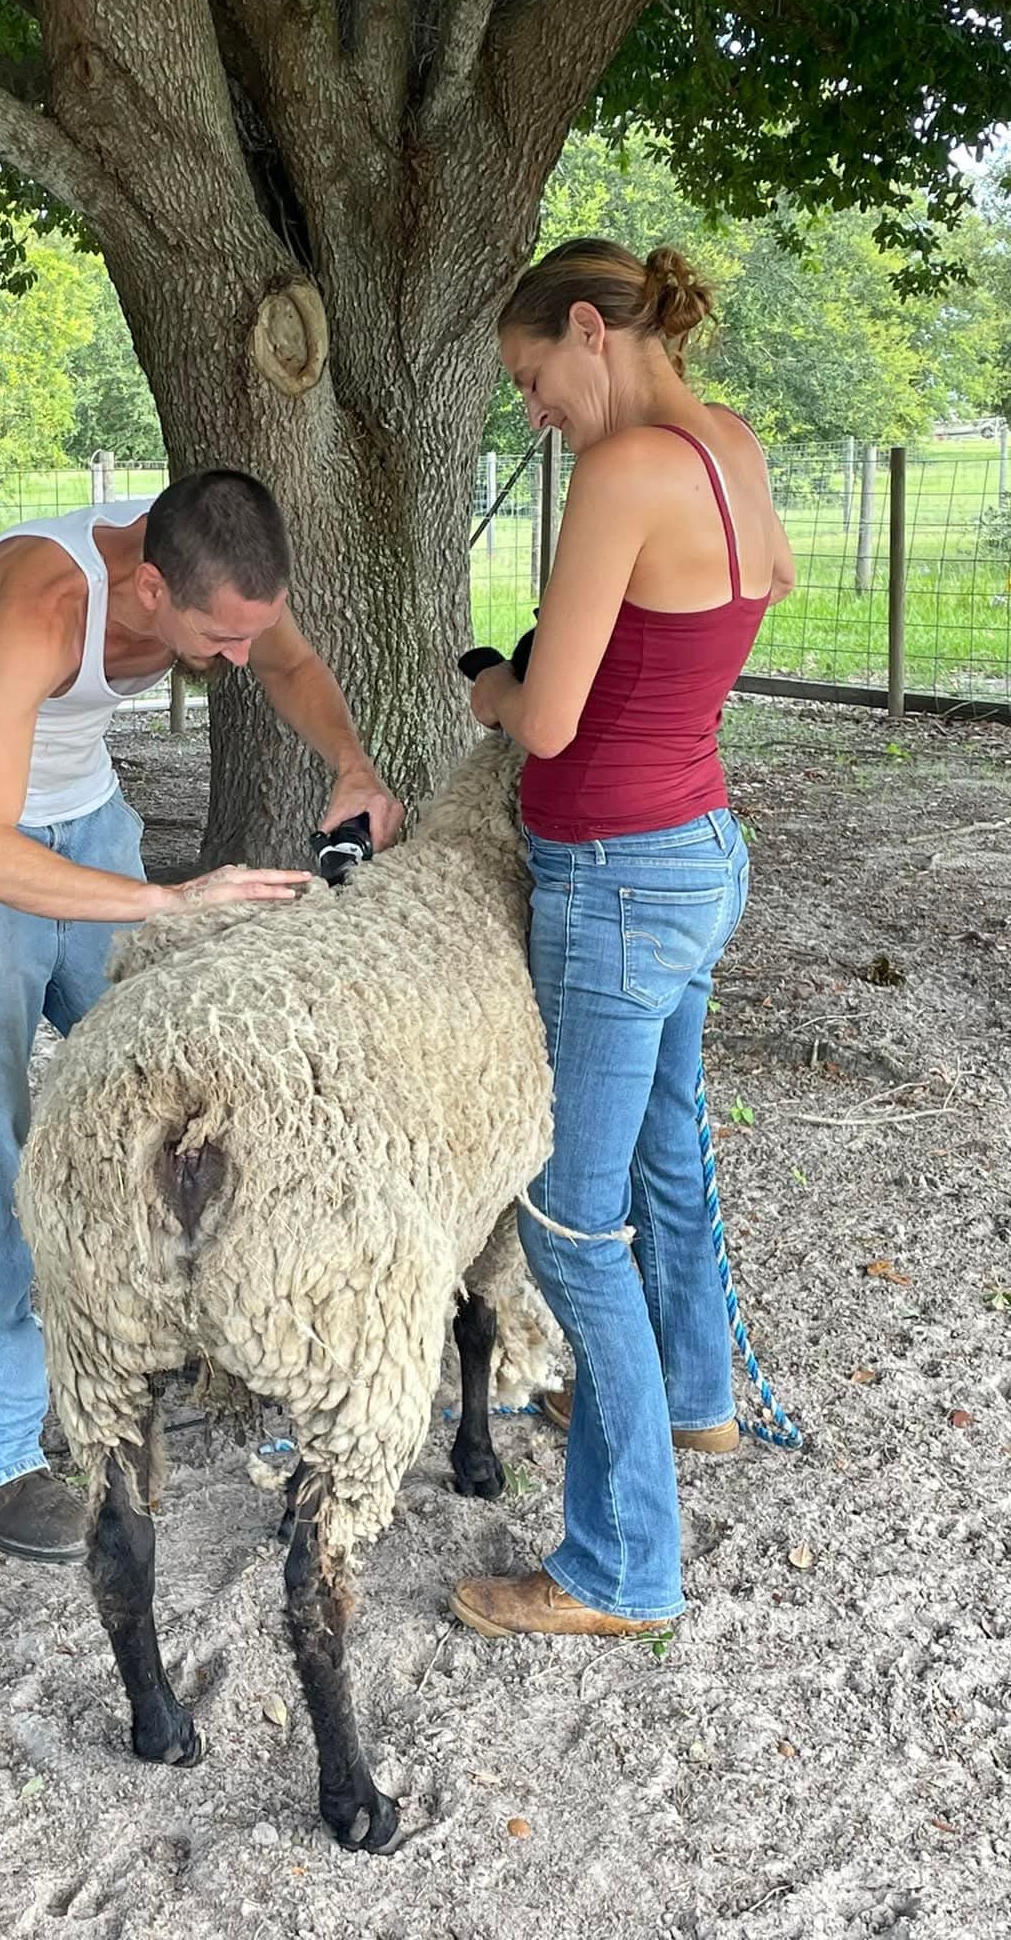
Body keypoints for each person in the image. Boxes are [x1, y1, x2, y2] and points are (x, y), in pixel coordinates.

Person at [0, 469, 403, 1563]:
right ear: (152, 586)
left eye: (248, 632)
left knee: (175, 1089)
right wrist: (166, 898)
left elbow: (293, 660)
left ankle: (193, 1330)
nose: (240, 658)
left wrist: (350, 763)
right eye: (219, 636)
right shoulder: (44, 601)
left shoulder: (221, 573)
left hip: (79, 808)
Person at [448, 240, 795, 1640]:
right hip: (701, 845)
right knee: (666, 1146)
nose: (533, 409)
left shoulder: (624, 473)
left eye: (533, 378)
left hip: (616, 880)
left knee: (571, 1223)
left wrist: (487, 686)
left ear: (591, 331)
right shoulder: (730, 447)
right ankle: (696, 1399)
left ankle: (618, 1567)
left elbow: (548, 719)